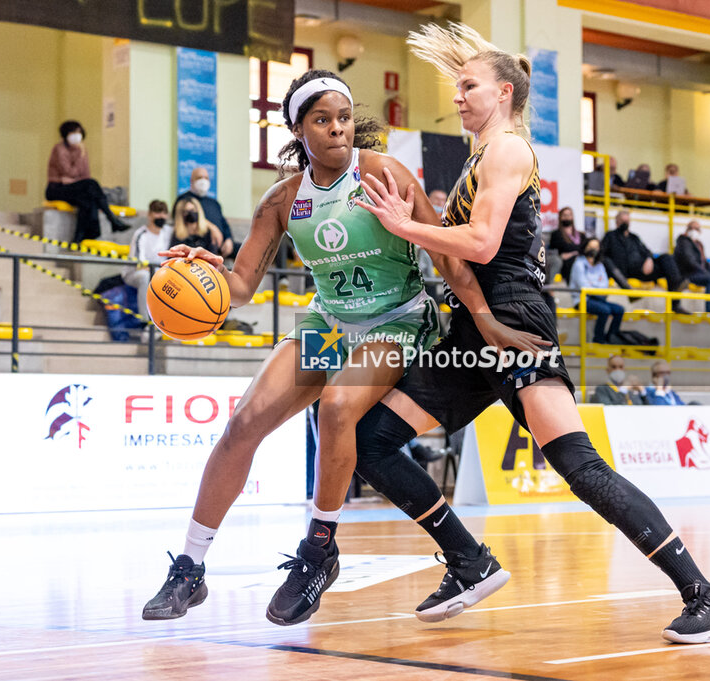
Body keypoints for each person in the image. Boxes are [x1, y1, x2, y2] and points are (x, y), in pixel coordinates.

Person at [351, 22, 710, 643]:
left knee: (580, 467)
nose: (458, 97)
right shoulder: (481, 155)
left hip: (517, 316)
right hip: (477, 326)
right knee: (374, 440)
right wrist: (414, 220)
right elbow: (457, 259)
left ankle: (705, 596)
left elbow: (479, 243)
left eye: (468, 86)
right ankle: (469, 561)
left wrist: (405, 226)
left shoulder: (508, 151)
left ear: (503, 93)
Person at [140, 69, 531, 626]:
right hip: (329, 323)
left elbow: (447, 256)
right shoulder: (282, 200)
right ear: (299, 130)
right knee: (244, 423)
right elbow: (243, 285)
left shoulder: (384, 174)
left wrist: (485, 319)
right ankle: (189, 566)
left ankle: (319, 551)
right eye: (322, 121)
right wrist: (205, 269)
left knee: (339, 407)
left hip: (395, 320)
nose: (337, 130)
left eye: (344, 118)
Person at [46, 120, 128, 242]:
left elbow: (84, 176)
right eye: (73, 132)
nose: (77, 135)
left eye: (79, 132)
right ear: (66, 134)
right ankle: (111, 219)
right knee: (91, 184)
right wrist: (80, 157)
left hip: (73, 188)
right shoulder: (59, 149)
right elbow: (69, 172)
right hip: (56, 189)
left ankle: (79, 239)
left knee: (88, 200)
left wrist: (73, 179)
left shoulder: (81, 150)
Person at [601, 210, 688, 313]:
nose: (625, 223)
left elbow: (647, 251)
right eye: (622, 221)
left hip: (644, 269)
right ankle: (676, 289)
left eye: (627, 221)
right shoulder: (610, 236)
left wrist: (649, 259)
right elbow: (602, 254)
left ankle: (675, 300)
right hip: (628, 271)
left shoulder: (634, 237)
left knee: (667, 258)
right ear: (617, 222)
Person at [123, 200, 173, 315]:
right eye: (157, 212)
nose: (161, 216)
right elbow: (140, 266)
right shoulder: (141, 234)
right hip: (135, 273)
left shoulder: (168, 232)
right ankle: (146, 323)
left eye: (164, 213)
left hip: (158, 272)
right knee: (145, 277)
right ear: (149, 215)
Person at [175, 167, 238, 258]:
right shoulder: (184, 199)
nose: (203, 181)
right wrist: (212, 228)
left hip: (221, 244)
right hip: (201, 241)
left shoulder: (214, 203)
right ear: (191, 181)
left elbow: (224, 224)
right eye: (199, 178)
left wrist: (229, 239)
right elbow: (179, 217)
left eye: (206, 178)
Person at [571, 238, 623, 344]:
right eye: (590, 247)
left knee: (619, 310)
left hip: (598, 298)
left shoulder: (600, 265)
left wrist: (593, 286)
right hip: (582, 300)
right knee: (605, 310)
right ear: (585, 248)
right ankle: (598, 339)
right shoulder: (579, 264)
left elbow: (604, 285)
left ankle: (611, 337)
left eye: (595, 247)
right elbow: (584, 286)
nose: (592, 250)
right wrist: (596, 287)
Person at [549, 206, 584, 284]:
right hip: (566, 262)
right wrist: (563, 255)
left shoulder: (581, 235)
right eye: (564, 215)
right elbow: (554, 250)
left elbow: (584, 248)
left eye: (569, 215)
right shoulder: (556, 234)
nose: (567, 217)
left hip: (580, 259)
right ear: (560, 218)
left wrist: (572, 253)